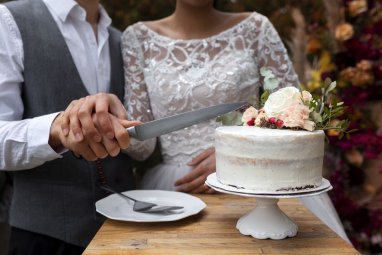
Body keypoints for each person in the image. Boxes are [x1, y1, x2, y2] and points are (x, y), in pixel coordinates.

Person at [62, 0, 350, 244]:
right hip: (178, 191)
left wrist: (236, 156)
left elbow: (298, 113)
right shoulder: (137, 38)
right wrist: (111, 123)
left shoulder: (255, 28)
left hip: (255, 185)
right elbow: (143, 147)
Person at [0, 0, 138, 254]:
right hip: (43, 238)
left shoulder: (122, 39)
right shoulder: (8, 20)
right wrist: (60, 129)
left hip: (127, 233)